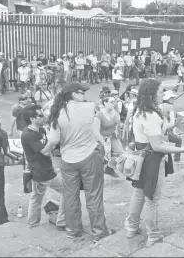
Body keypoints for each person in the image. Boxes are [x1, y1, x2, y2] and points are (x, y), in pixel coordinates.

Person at [124, 79, 184, 247]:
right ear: (151, 93)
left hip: (142, 157)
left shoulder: (142, 110)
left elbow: (163, 128)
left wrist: (174, 121)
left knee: (140, 193)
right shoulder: (150, 114)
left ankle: (131, 227)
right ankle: (153, 235)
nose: (163, 94)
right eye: (161, 91)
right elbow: (157, 145)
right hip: (152, 160)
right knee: (152, 199)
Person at [48, 83, 115, 242]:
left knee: (70, 197)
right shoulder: (90, 107)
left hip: (67, 160)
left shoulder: (57, 112)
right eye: (81, 92)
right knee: (94, 196)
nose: (84, 94)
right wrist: (103, 147)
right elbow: (94, 128)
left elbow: (54, 139)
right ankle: (99, 232)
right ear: (73, 94)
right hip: (89, 157)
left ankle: (73, 230)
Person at [21, 104, 66, 231]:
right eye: (40, 115)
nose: (44, 117)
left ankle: (33, 224)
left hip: (44, 169)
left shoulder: (40, 130)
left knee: (36, 198)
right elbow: (45, 152)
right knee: (68, 190)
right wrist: (53, 139)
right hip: (41, 172)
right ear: (32, 119)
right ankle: (61, 219)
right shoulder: (28, 135)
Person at [93, 92, 123, 178]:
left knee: (120, 153)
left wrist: (117, 132)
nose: (114, 103)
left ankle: (109, 168)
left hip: (112, 137)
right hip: (101, 138)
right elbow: (96, 131)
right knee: (101, 160)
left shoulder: (115, 112)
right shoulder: (99, 114)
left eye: (114, 101)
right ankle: (96, 177)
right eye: (111, 102)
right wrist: (104, 143)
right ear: (105, 103)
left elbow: (117, 124)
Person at [160, 90, 182, 163]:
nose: (173, 99)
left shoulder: (159, 105)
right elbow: (172, 122)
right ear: (168, 99)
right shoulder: (170, 107)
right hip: (166, 131)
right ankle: (176, 159)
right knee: (179, 140)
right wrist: (175, 132)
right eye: (172, 98)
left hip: (158, 131)